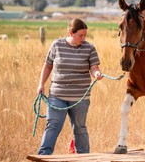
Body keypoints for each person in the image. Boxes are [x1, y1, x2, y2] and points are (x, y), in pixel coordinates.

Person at [36, 18, 103, 155]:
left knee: (79, 128)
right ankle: (43, 155)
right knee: (53, 125)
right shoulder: (57, 45)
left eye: (85, 35)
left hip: (80, 97)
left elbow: (94, 67)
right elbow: (48, 65)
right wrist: (41, 84)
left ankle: (84, 157)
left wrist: (97, 74)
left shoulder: (89, 48)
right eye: (80, 35)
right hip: (57, 95)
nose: (83, 38)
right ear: (71, 33)